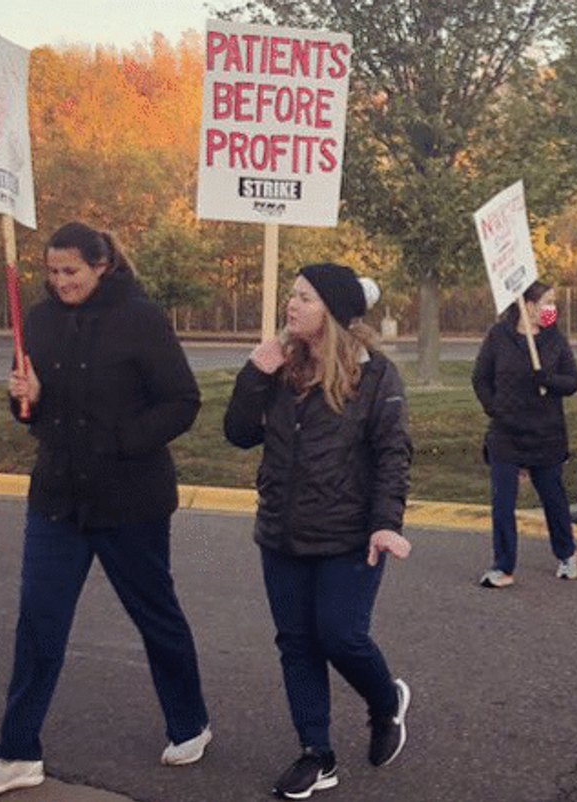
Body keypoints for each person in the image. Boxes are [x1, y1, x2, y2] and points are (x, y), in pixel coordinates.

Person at [0, 222, 211, 795]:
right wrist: (24, 398)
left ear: (102, 266)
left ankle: (189, 722)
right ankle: (18, 751)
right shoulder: (38, 320)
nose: (61, 282)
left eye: (71, 271)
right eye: (53, 272)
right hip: (57, 497)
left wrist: (121, 440)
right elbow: (31, 411)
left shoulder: (141, 318)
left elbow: (183, 401)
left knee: (155, 615)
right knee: (39, 621)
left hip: (131, 499)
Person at [223, 263, 413, 799]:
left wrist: (385, 523)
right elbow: (238, 433)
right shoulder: (279, 365)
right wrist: (254, 374)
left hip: (348, 534)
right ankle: (316, 753)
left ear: (332, 310)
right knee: (297, 643)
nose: (292, 304)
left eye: (304, 297)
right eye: (292, 294)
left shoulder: (374, 375)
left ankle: (386, 704)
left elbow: (392, 452)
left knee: (340, 636)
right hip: (282, 531)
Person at [471, 280, 577, 588]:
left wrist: (548, 379)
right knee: (503, 503)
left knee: (553, 499)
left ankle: (567, 553)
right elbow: (480, 378)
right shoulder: (499, 336)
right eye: (547, 301)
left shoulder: (555, 339)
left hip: (546, 434)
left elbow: (573, 381)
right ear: (529, 305)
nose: (552, 308)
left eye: (554, 302)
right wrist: (494, 408)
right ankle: (503, 566)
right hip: (506, 433)